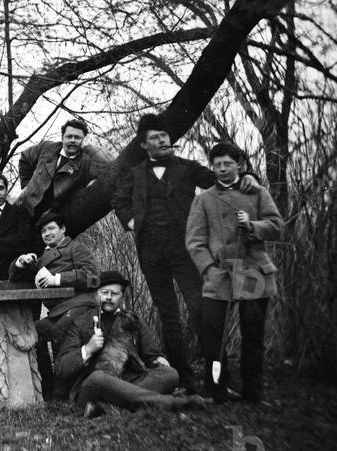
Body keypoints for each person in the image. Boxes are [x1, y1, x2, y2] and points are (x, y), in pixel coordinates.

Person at [113, 114, 258, 392]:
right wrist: (131, 222)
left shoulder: (188, 168)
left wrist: (247, 177)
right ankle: (184, 381)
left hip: (186, 250)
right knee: (169, 316)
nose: (162, 140)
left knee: (201, 311)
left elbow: (220, 179)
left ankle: (218, 382)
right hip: (151, 253)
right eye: (155, 137)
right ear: (143, 144)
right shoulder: (134, 174)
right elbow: (119, 199)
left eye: (164, 136)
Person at [185, 141, 283, 404]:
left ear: (239, 164)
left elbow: (276, 226)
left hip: (253, 272)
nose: (222, 169)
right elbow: (195, 242)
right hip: (219, 274)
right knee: (212, 334)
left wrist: (252, 226)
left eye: (227, 163)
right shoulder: (204, 199)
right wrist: (208, 269)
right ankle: (217, 389)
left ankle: (253, 392)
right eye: (217, 164)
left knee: (253, 334)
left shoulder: (257, 192)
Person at [54, 271, 205, 416]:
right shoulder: (81, 323)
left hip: (128, 379)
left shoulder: (132, 320)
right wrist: (87, 350)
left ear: (122, 296)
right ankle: (173, 403)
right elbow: (61, 368)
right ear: (96, 294)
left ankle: (104, 407)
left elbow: (151, 354)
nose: (108, 298)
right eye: (104, 292)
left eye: (114, 294)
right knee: (98, 378)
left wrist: (158, 360)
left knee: (170, 374)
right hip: (94, 384)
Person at [9, 210, 100, 399]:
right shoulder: (43, 257)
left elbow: (93, 277)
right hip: (57, 313)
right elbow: (15, 277)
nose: (47, 234)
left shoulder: (76, 248)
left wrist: (57, 279)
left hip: (80, 308)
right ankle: (47, 388)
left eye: (51, 228)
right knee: (32, 332)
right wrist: (21, 262)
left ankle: (63, 389)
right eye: (43, 231)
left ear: (63, 229)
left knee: (61, 329)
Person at [17, 117, 112, 240]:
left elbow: (110, 169)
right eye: (69, 136)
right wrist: (26, 185)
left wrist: (89, 147)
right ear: (62, 138)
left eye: (77, 138)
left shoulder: (85, 163)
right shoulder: (47, 148)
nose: (72, 140)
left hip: (45, 224)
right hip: (21, 209)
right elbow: (25, 157)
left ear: (83, 140)